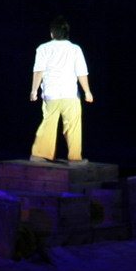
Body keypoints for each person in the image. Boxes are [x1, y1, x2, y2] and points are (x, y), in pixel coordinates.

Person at [29, 15, 92, 162]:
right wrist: (87, 92)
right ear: (67, 33)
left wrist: (34, 90)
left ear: (52, 33)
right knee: (73, 127)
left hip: (51, 94)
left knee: (48, 124)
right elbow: (81, 72)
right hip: (70, 94)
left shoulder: (43, 48)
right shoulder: (75, 49)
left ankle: (39, 155)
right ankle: (75, 158)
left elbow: (39, 71)